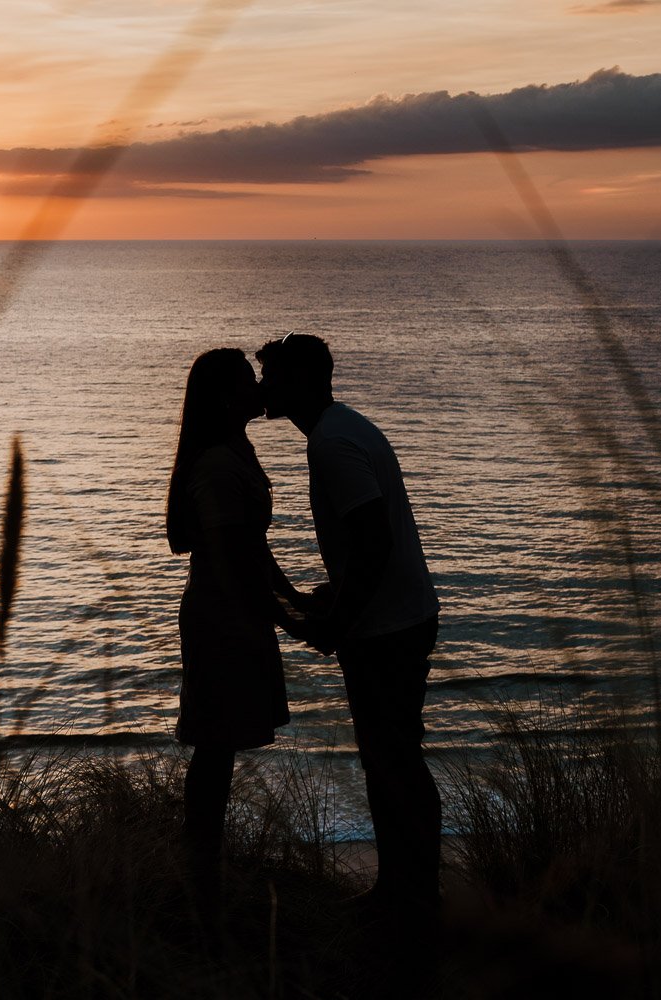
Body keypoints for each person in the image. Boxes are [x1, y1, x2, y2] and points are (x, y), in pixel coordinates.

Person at [255, 332, 442, 911]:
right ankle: (406, 886)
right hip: (399, 615)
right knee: (393, 756)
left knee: (393, 761)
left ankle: (410, 893)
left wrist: (338, 622)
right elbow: (372, 540)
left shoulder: (331, 444)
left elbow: (374, 538)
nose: (265, 388)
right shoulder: (346, 428)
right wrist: (340, 593)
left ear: (303, 382)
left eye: (276, 377)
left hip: (386, 628)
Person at [165, 348, 305, 871]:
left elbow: (252, 546)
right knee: (215, 749)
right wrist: (291, 620)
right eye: (250, 381)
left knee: (218, 748)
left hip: (235, 610)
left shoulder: (234, 448)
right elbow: (232, 562)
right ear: (227, 397)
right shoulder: (220, 463)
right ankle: (201, 867)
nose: (259, 389)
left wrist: (295, 598)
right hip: (222, 618)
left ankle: (203, 865)